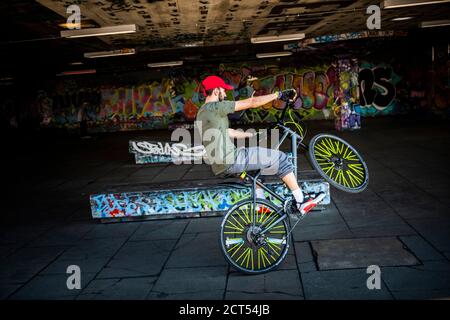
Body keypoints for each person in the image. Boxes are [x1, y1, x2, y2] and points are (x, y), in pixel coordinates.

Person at [195, 75, 325, 216]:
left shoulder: (202, 112)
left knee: (256, 170)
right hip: (231, 159)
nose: (225, 94)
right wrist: (278, 94)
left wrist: (252, 135)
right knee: (280, 158)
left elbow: (227, 131)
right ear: (216, 91)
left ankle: (260, 204)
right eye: (223, 90)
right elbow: (252, 102)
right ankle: (301, 201)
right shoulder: (215, 107)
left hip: (220, 165)